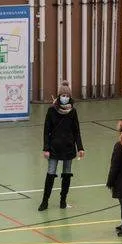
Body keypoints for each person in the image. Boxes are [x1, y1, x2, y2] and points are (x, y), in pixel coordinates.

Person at [38, 80, 85, 212]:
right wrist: (46, 148)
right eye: (63, 95)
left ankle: (63, 200)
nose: (65, 98)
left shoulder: (73, 112)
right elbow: (46, 131)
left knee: (66, 174)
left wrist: (80, 147)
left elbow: (76, 131)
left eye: (67, 96)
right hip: (54, 147)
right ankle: (45, 201)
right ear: (59, 96)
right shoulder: (51, 111)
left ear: (70, 97)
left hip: (69, 147)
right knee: (51, 173)